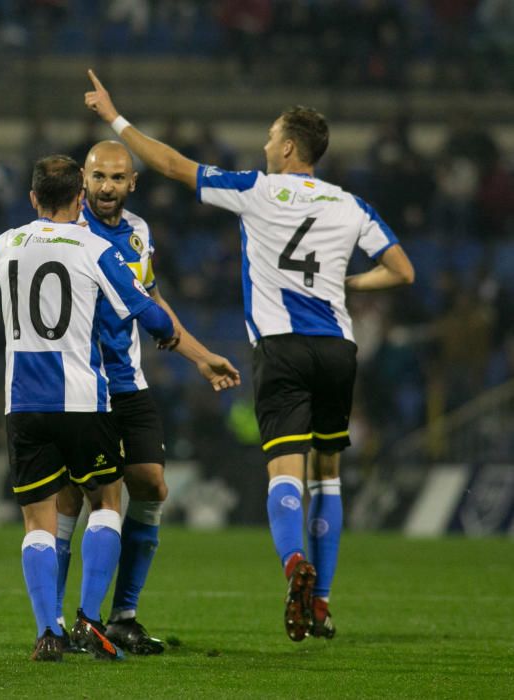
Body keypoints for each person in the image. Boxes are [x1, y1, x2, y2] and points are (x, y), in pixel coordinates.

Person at [83, 70, 415, 641]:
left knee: (285, 473)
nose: (264, 145)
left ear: (288, 147)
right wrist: (347, 283)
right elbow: (403, 270)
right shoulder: (351, 205)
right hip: (338, 347)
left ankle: (293, 563)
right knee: (329, 477)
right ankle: (323, 603)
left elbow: (168, 164)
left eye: (270, 137)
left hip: (282, 349)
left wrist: (114, 118)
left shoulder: (257, 189)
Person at [0, 154, 178, 662]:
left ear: (32, 198)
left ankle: (47, 631)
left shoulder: (5, 243)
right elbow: (145, 309)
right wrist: (167, 330)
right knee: (107, 505)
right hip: (83, 400)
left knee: (37, 523)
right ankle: (92, 619)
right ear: (79, 198)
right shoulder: (95, 247)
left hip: (22, 402)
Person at [54, 141, 241, 655]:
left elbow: (150, 298)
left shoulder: (139, 232)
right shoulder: (70, 233)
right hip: (81, 383)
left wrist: (200, 356)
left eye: (117, 178)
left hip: (128, 381)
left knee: (152, 486)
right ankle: (55, 624)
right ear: (83, 182)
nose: (107, 187)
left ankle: (122, 616)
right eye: (98, 178)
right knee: (75, 497)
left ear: (133, 182)